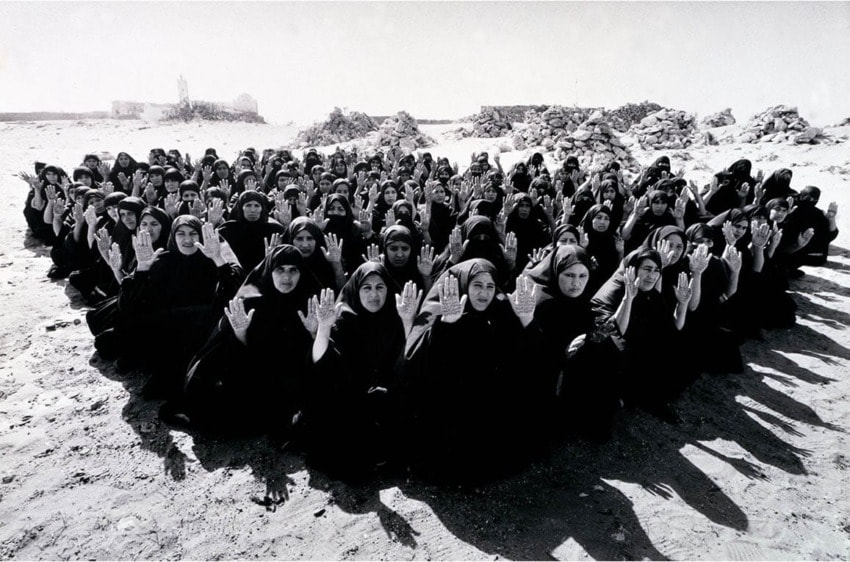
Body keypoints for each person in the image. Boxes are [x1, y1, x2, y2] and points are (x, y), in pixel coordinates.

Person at [403, 260, 540, 483]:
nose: (484, 293)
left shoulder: (502, 309)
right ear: (464, 285)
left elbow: (530, 359)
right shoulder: (442, 309)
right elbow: (418, 365)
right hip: (451, 409)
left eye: (490, 286)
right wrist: (447, 324)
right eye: (477, 285)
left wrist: (526, 320)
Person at [165, 245, 314, 435]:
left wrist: (314, 333)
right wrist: (240, 332)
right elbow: (229, 353)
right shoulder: (248, 301)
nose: (287, 277)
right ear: (270, 270)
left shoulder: (308, 301)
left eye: (293, 270)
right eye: (280, 269)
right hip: (255, 373)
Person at [304, 263, 420, 479]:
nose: (374, 295)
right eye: (366, 288)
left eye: (380, 287)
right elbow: (323, 365)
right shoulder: (344, 321)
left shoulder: (398, 317)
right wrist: (323, 328)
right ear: (356, 290)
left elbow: (411, 363)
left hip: (390, 399)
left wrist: (407, 321)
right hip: (354, 401)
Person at [116, 217, 244, 398]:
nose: (188, 240)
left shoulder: (214, 260)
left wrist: (217, 258)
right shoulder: (162, 261)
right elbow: (131, 304)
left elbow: (235, 292)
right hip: (171, 331)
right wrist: (143, 268)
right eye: (181, 234)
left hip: (205, 331)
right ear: (173, 237)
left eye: (193, 234)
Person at [590, 248, 694, 420]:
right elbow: (610, 333)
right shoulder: (613, 292)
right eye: (647, 269)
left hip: (641, 352)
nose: (652, 276)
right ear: (632, 269)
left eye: (656, 270)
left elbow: (672, 329)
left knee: (681, 346)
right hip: (613, 353)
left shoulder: (651, 295)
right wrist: (628, 299)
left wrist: (682, 304)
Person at [218, 190, 285, 272]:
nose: (253, 210)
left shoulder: (274, 230)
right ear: (241, 207)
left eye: (257, 206)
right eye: (248, 205)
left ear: (262, 208)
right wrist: (212, 222)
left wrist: (286, 224)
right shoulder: (228, 230)